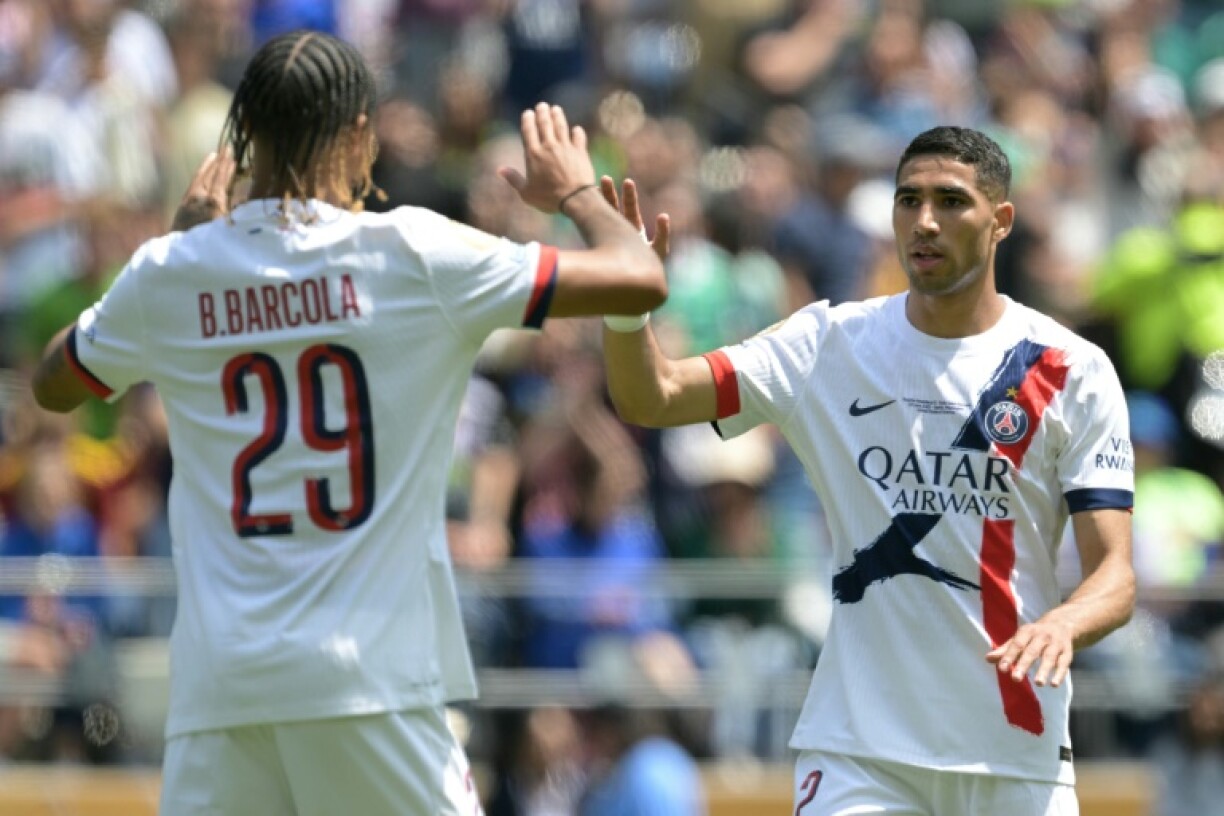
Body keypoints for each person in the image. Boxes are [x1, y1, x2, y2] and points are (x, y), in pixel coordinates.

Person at [30, 29, 665, 816]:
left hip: (223, 689)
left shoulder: (171, 270)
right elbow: (639, 278)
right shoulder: (411, 252)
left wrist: (176, 246)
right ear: (360, 134)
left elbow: (56, 382)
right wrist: (576, 191)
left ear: (243, 139)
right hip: (368, 680)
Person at [600, 126, 1135, 815]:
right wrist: (624, 309)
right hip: (862, 756)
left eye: (952, 201)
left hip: (1015, 756)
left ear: (1002, 221)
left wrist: (1063, 624)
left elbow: (1115, 575)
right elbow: (652, 395)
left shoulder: (1070, 370)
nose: (925, 221)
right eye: (908, 200)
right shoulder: (828, 343)